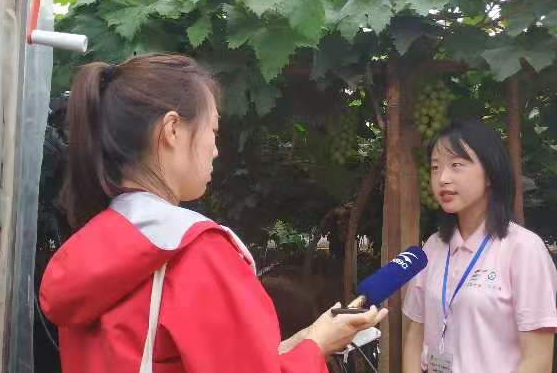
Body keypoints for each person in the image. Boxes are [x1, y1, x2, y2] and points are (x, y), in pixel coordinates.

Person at [39, 53, 387, 373]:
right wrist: (317, 347)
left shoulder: (89, 250)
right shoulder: (196, 253)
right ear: (172, 130)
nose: (216, 150)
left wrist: (308, 340)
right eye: (213, 130)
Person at [402, 120, 557, 373]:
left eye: (456, 165)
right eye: (435, 167)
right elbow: (415, 335)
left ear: (490, 173)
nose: (442, 178)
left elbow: (537, 361)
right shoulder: (432, 247)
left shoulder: (524, 249)